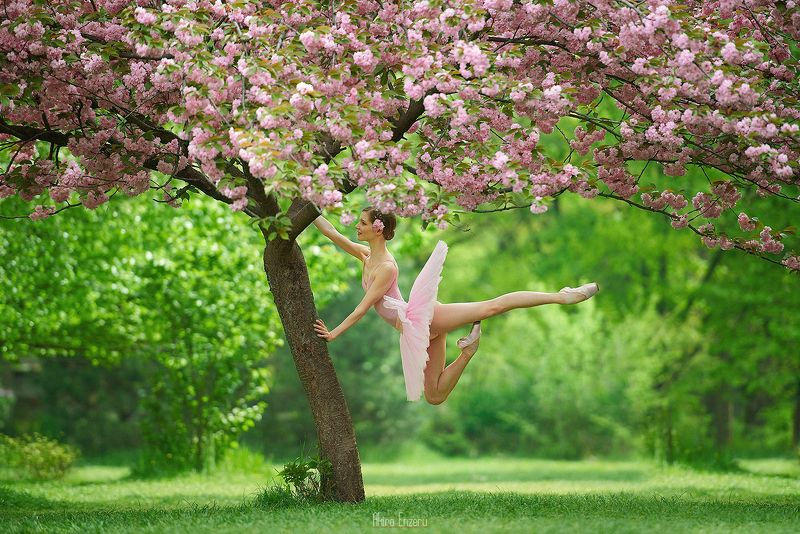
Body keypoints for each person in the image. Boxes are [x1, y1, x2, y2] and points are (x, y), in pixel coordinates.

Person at [312, 207, 599, 405]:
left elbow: (362, 308)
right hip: (420, 332)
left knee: (491, 307)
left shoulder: (385, 267)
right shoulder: (366, 255)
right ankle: (468, 352)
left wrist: (334, 333)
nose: (356, 227)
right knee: (435, 396)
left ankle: (562, 296)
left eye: (362, 223)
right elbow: (333, 234)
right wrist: (307, 202)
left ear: (379, 229)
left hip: (424, 319)